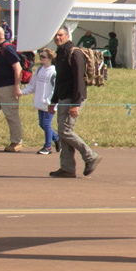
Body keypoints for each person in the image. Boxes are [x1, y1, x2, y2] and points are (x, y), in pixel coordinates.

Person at [50, 26, 99, 178]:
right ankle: (67, 168)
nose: (58, 38)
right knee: (62, 131)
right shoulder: (60, 53)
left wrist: (75, 104)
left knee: (65, 131)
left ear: (67, 36)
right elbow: (59, 80)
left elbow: (79, 80)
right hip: (64, 96)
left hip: (73, 98)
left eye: (60, 35)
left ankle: (91, 156)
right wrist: (54, 100)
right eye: (56, 35)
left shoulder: (74, 53)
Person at [0, 24, 24, 152]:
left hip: (8, 88)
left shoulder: (7, 48)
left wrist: (16, 87)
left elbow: (17, 68)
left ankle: (16, 142)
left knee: (11, 115)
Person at [30, 48, 57, 154]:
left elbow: (56, 89)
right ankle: (57, 139)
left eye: (43, 57)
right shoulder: (39, 69)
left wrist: (53, 103)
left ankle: (48, 147)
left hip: (49, 104)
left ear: (50, 58)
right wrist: (21, 92)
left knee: (46, 124)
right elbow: (33, 85)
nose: (41, 58)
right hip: (40, 102)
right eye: (40, 56)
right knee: (42, 124)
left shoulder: (54, 72)